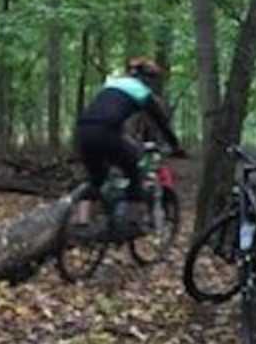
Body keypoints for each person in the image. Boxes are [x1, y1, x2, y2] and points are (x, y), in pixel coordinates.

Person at [74, 57, 185, 226]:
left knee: (96, 178)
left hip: (83, 131)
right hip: (106, 132)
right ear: (147, 79)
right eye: (153, 80)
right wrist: (176, 146)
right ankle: (130, 221)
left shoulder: (112, 85)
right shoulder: (141, 91)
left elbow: (106, 113)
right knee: (134, 168)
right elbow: (161, 122)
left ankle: (82, 221)